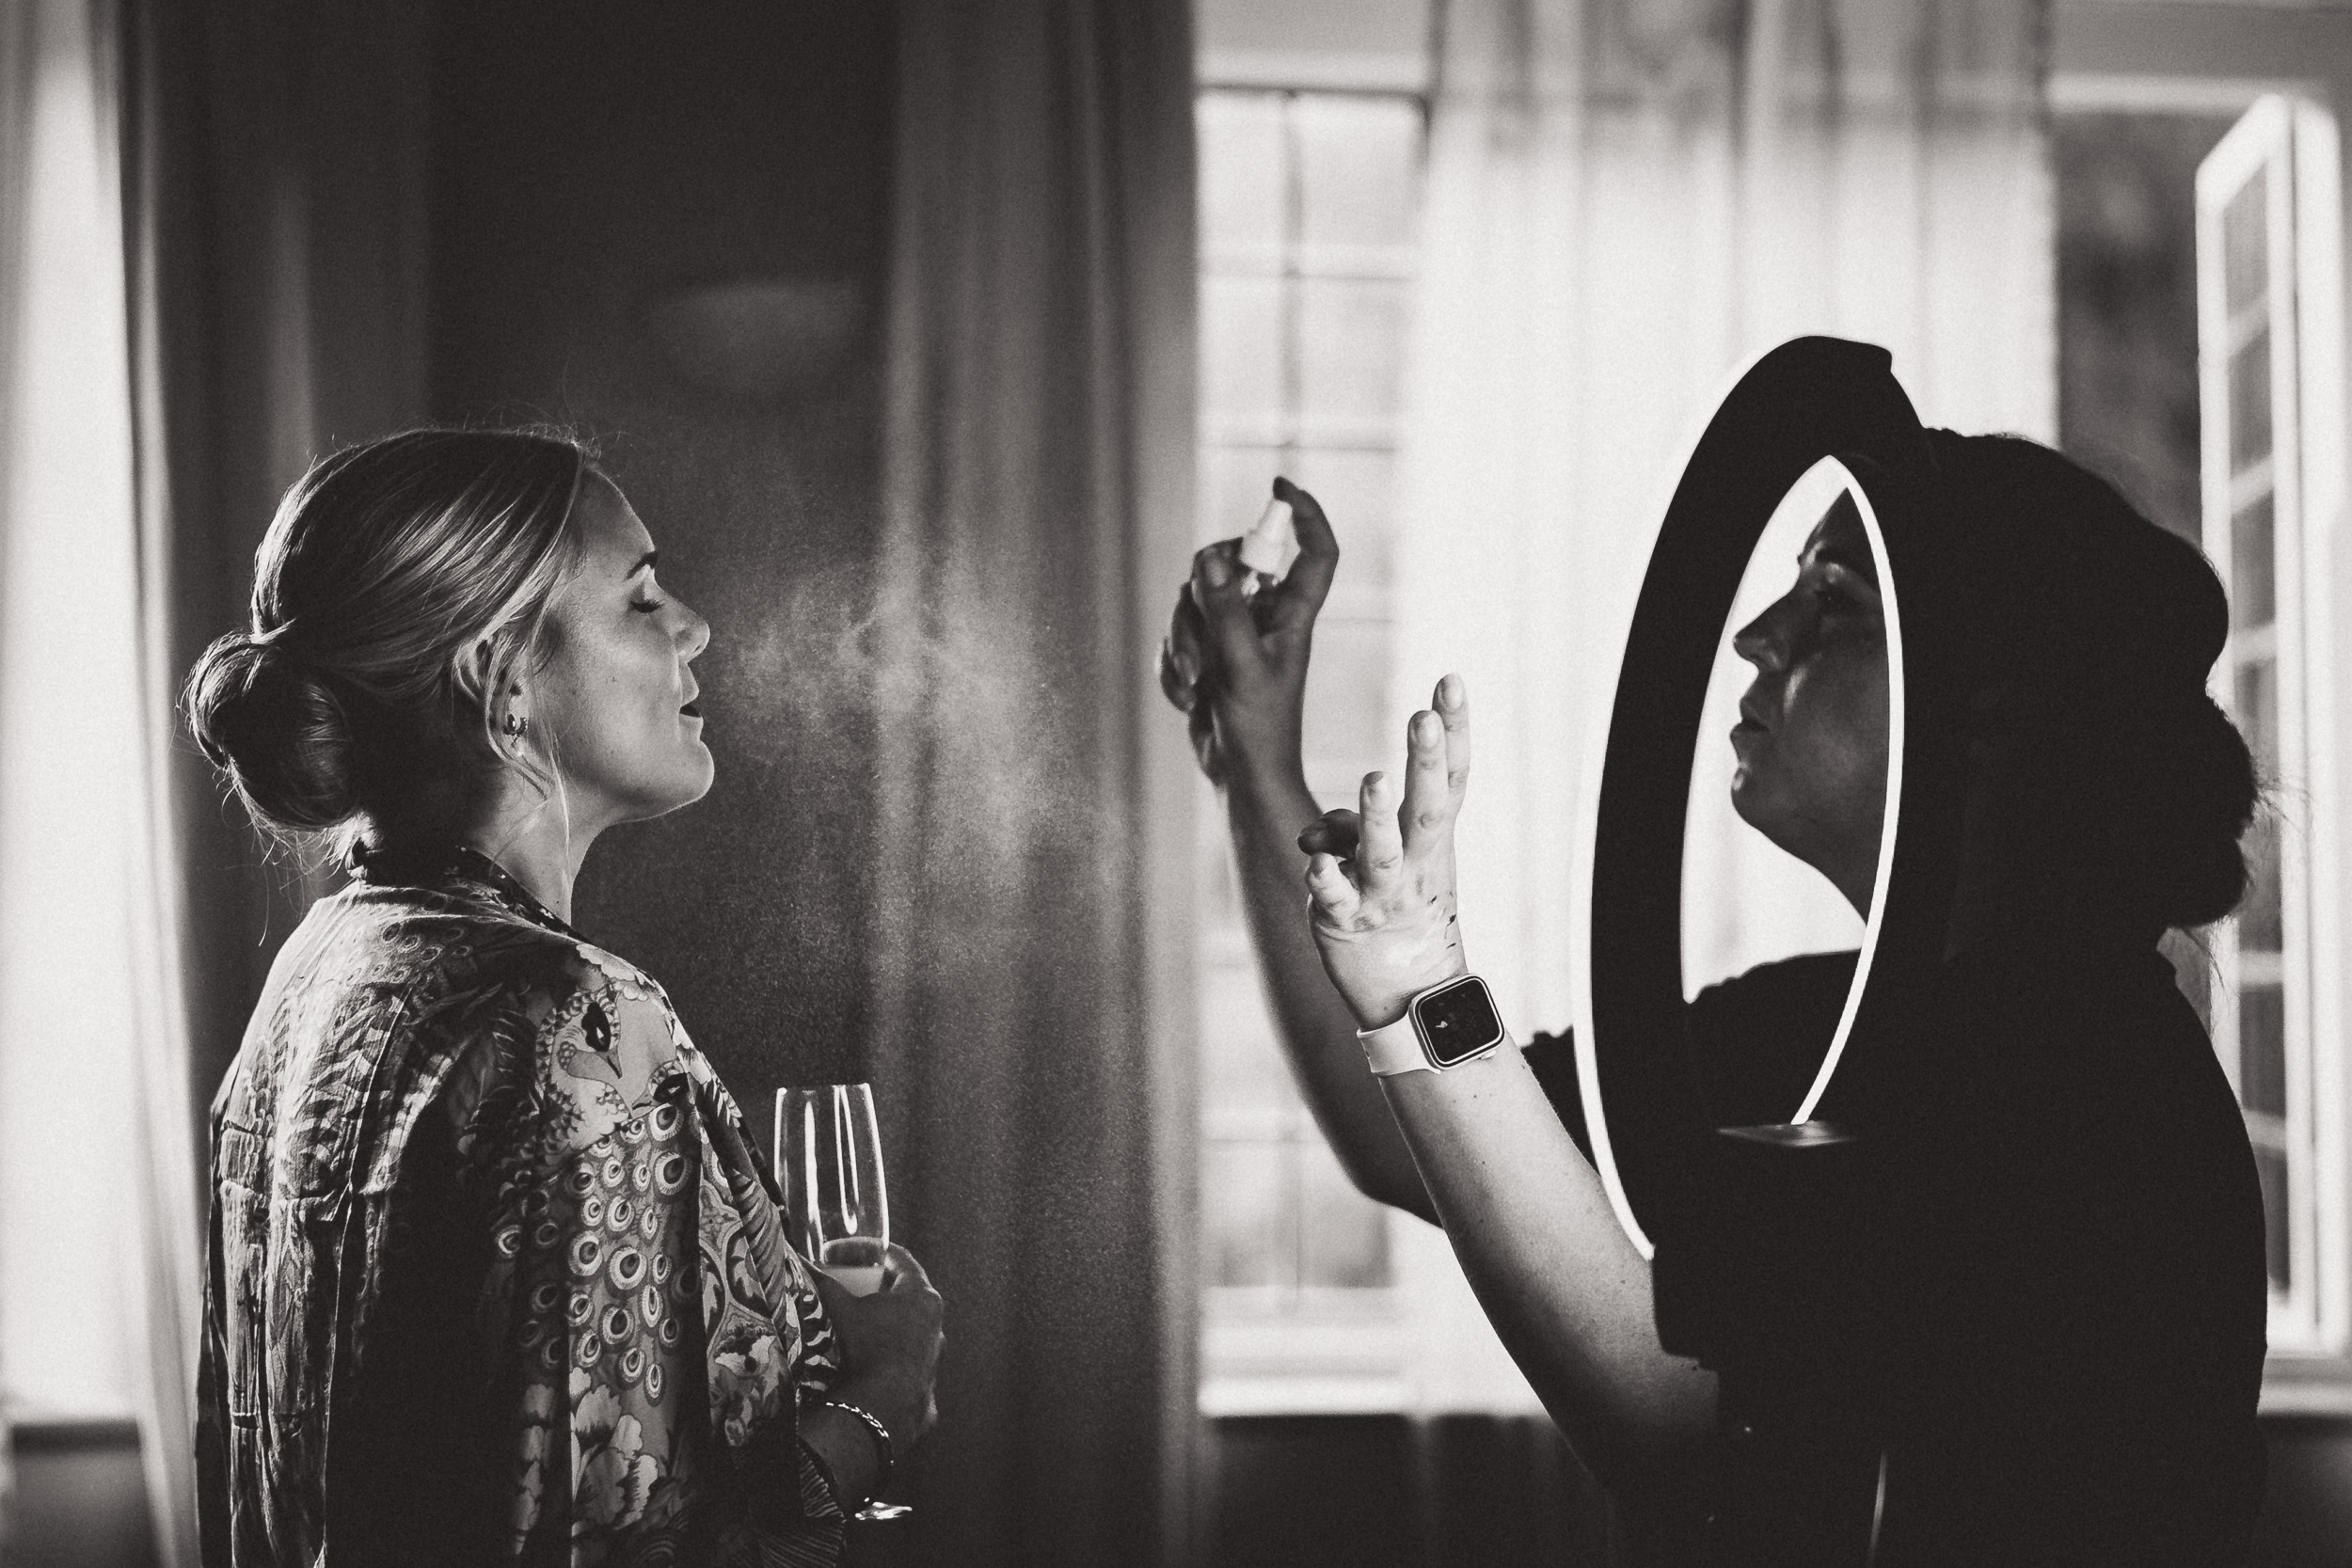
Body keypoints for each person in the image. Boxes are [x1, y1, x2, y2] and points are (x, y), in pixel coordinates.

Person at [1162, 427, 2269, 1562]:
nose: (1752, 635)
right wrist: (1251, 752)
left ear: (1985, 706)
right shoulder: (1833, 1024)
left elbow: (1714, 1448)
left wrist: (1422, 980)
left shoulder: (2087, 1086)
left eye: (1833, 602)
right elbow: (1409, 1138)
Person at [186, 430, 944, 1567]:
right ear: (502, 678)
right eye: (641, 601)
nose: (695, 626)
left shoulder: (318, 967)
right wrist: (882, 1400)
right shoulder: (576, 1020)